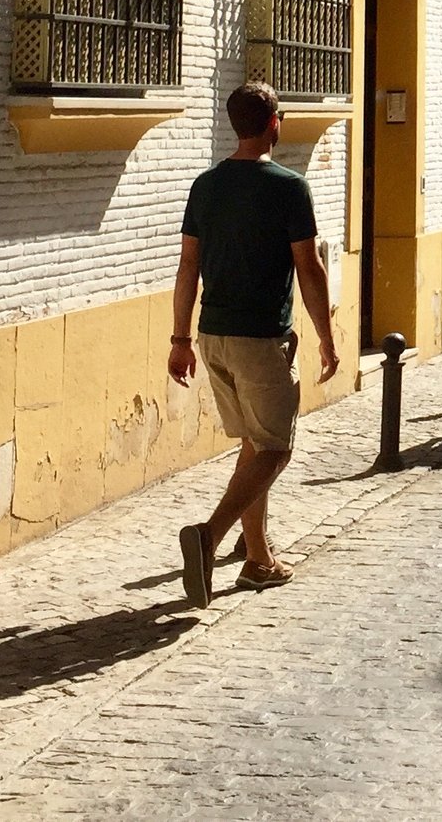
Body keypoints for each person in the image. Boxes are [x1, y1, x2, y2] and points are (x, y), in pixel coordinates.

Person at [169, 81, 340, 608]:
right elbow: (309, 269)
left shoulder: (206, 185)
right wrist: (328, 339)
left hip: (212, 336)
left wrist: (180, 339)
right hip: (260, 338)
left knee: (251, 444)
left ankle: (258, 559)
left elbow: (188, 267)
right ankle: (209, 536)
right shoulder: (289, 187)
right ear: (274, 124)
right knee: (275, 448)